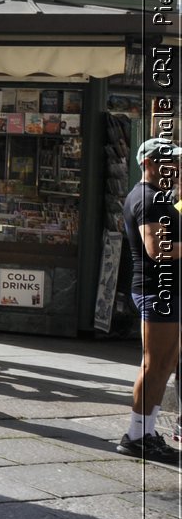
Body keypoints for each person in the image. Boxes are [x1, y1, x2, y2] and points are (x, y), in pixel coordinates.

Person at [114, 138, 181, 462]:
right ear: (149, 163)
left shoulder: (158, 197)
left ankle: (147, 432)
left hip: (167, 290)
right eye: (168, 161)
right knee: (155, 364)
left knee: (166, 363)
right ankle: (136, 434)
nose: (176, 167)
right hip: (157, 289)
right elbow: (157, 250)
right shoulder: (147, 199)